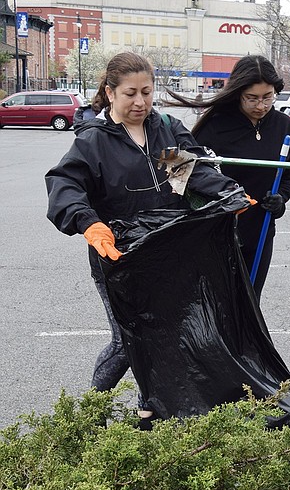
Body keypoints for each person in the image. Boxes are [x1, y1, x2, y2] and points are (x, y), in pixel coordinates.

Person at [45, 51, 249, 428]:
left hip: (166, 251)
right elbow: (66, 184)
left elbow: (186, 173)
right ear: (109, 93)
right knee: (127, 341)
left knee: (165, 336)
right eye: (130, 94)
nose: (140, 102)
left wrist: (227, 194)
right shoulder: (94, 141)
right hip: (119, 258)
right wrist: (87, 222)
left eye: (147, 92)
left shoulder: (164, 130)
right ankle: (89, 416)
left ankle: (149, 410)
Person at [170, 55, 290, 302]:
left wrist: (281, 199)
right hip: (220, 233)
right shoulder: (216, 124)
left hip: (260, 230)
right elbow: (184, 175)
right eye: (252, 98)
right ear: (238, 93)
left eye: (268, 97)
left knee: (251, 303)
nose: (261, 105)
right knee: (221, 305)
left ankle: (247, 343)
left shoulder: (283, 125)